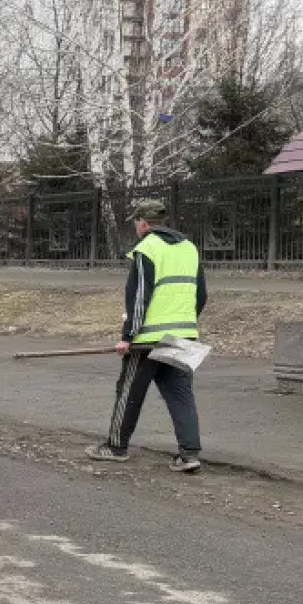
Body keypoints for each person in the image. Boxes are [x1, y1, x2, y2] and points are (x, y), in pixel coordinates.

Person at [88, 198, 206, 472]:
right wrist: (185, 324)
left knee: (129, 391)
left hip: (147, 339)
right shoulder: (189, 248)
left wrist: (128, 336)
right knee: (181, 394)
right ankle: (189, 454)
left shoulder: (147, 248)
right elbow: (200, 295)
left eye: (136, 222)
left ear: (142, 223)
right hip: (183, 334)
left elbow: (140, 297)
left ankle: (116, 447)